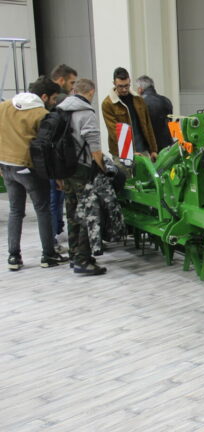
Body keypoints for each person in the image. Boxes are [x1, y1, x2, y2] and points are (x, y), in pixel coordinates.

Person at [0, 76, 68, 271]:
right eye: (53, 98)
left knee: (15, 211)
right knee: (43, 209)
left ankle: (14, 256)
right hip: (28, 167)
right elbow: (46, 148)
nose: (54, 103)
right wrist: (57, 175)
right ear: (44, 96)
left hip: (6, 165)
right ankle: (48, 254)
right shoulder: (41, 114)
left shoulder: (4, 106)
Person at [57, 78, 108, 275]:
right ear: (91, 92)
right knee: (88, 212)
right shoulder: (86, 112)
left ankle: (74, 255)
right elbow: (94, 147)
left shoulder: (60, 110)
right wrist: (103, 168)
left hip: (65, 169)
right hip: (82, 169)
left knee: (71, 212)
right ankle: (83, 259)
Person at [101, 67, 158, 165]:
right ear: (114, 83)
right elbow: (114, 131)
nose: (124, 89)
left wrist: (153, 149)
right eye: (120, 86)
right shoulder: (108, 104)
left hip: (143, 150)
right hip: (122, 154)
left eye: (126, 85)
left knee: (146, 175)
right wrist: (130, 152)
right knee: (125, 175)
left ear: (130, 81)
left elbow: (148, 125)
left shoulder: (139, 100)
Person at [49, 64, 78, 248]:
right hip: (56, 159)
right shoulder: (60, 101)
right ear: (61, 80)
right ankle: (52, 236)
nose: (73, 86)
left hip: (51, 158)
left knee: (56, 198)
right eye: (72, 82)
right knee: (55, 198)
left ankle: (56, 230)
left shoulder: (50, 99)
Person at [136, 75, 174, 151]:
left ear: (140, 89)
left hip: (149, 147)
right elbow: (170, 121)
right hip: (167, 145)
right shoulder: (166, 100)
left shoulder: (140, 103)